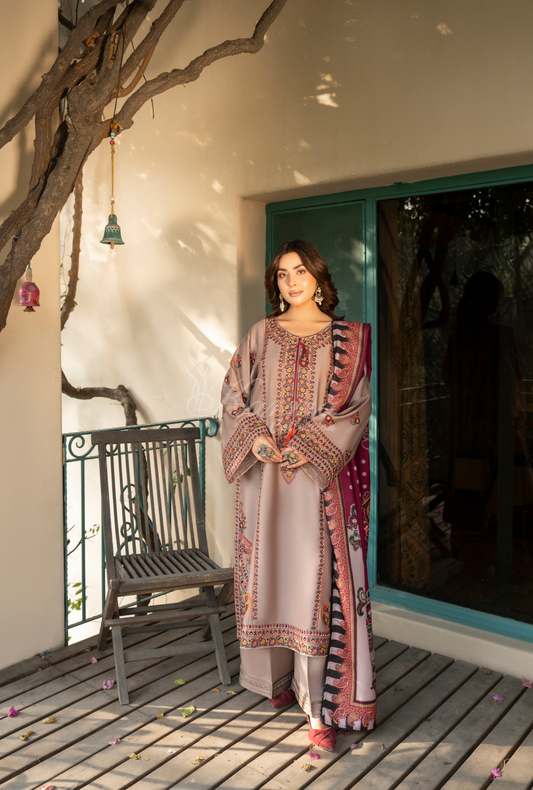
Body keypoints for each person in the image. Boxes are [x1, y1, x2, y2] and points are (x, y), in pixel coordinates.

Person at [221, 239, 377, 750]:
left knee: (311, 584)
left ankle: (317, 710)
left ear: (318, 277)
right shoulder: (260, 334)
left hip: (315, 480)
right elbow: (232, 394)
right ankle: (276, 682)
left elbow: (356, 406)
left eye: (300, 271)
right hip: (263, 480)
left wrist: (309, 446)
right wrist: (254, 437)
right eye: (283, 274)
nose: (292, 282)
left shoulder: (345, 339)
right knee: (266, 578)